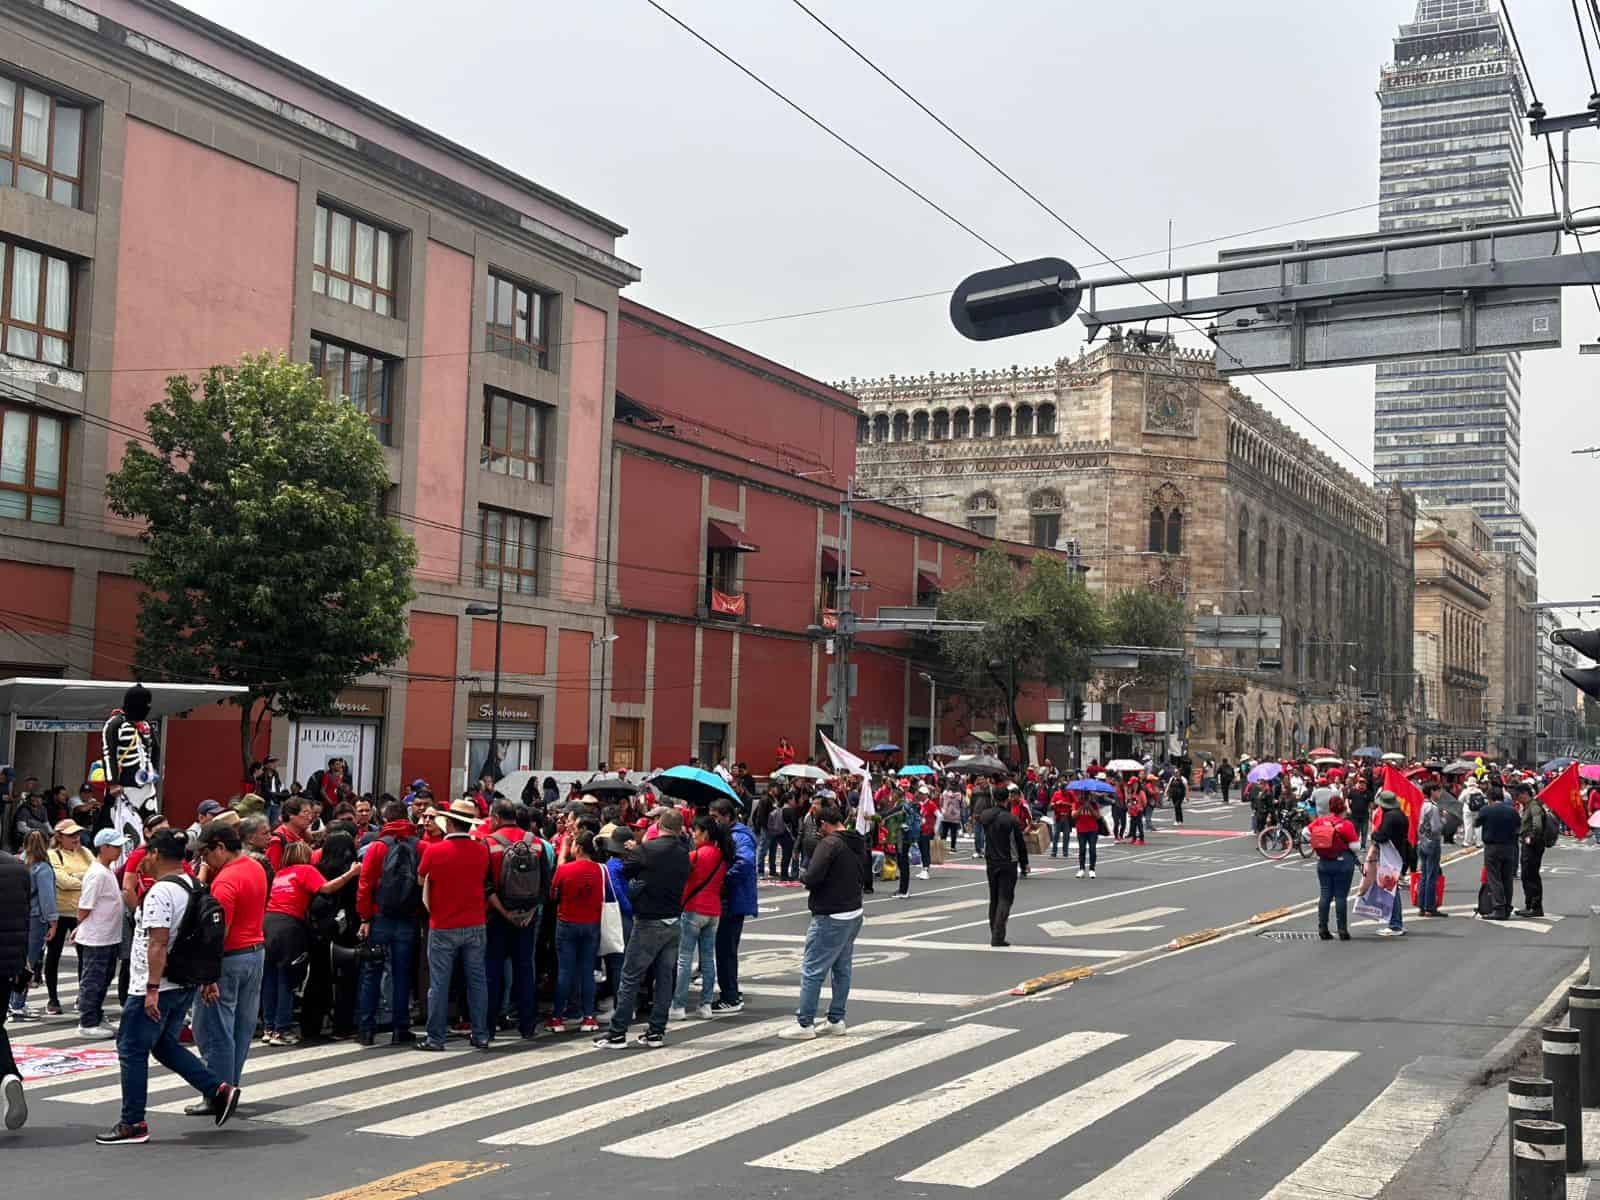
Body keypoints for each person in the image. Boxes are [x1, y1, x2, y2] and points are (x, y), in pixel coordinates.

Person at [99, 830, 241, 1146]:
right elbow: (205, 938)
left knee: (131, 1049)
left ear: (158, 855)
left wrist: (150, 988)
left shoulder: (162, 892)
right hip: (181, 982)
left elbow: (158, 943)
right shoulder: (194, 885)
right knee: (164, 1045)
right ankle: (218, 1089)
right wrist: (206, 978)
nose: (143, 860)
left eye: (147, 854)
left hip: (156, 985)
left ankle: (132, 1122)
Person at [594, 808, 691, 1049]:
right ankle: (656, 1031)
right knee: (664, 977)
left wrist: (632, 850)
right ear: (679, 829)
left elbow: (625, 869)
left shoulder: (647, 850)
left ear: (659, 826)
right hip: (674, 920)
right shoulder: (684, 853)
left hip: (649, 920)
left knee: (630, 976)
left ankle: (617, 1033)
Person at [187, 823, 266, 1099]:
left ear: (220, 848)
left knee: (214, 1030)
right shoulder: (255, 867)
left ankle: (217, 1094)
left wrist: (208, 977)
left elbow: (218, 934)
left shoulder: (226, 881)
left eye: (206, 854)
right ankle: (230, 1086)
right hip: (255, 953)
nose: (203, 860)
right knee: (241, 1030)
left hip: (230, 959)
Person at [780, 804, 868, 1039]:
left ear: (823, 824)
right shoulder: (857, 839)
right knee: (842, 969)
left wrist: (802, 874)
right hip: (853, 910)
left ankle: (805, 1023)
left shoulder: (829, 844)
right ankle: (836, 1018)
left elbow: (812, 877)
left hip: (831, 913)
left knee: (812, 969)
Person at [417, 799, 493, 1051]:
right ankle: (481, 1034)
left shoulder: (434, 850)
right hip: (474, 921)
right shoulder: (482, 850)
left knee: (439, 983)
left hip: (442, 923)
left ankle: (435, 1037)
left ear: (448, 822)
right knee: (477, 980)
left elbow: (421, 878)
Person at [355, 800, 421, 1045]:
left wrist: (365, 917)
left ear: (385, 821)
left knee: (372, 972)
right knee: (402, 973)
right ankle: (400, 1027)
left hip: (380, 915)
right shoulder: (419, 845)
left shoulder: (377, 847)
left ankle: (366, 1029)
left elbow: (365, 886)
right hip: (408, 917)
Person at [672, 815, 731, 1019]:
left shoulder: (695, 856)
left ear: (705, 833)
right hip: (713, 911)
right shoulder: (722, 855)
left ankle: (678, 1006)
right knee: (707, 959)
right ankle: (705, 1004)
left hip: (693, 909)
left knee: (684, 959)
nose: (693, 835)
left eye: (695, 831)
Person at [71, 829, 128, 1038]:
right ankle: (87, 1021)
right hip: (97, 938)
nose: (119, 850)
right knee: (93, 980)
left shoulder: (106, 870)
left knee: (103, 979)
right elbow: (85, 906)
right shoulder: (96, 873)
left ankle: (95, 1015)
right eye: (115, 846)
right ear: (103, 848)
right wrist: (81, 925)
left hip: (108, 936)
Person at [548, 830, 605, 1034]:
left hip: (567, 922)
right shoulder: (601, 870)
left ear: (578, 848)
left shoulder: (565, 870)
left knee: (565, 971)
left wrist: (562, 856)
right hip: (592, 924)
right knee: (587, 971)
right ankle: (589, 1016)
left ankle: (557, 1017)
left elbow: (552, 893)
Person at [710, 797, 756, 1015]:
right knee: (724, 948)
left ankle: (730, 995)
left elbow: (745, 863)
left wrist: (723, 880)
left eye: (715, 817)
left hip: (733, 899)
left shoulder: (739, 837)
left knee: (725, 948)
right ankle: (730, 991)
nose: (713, 821)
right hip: (730, 897)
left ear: (727, 817)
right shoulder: (728, 835)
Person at [44, 818, 92, 1015]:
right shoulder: (53, 854)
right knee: (53, 955)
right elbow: (62, 881)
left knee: (85, 956)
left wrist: (79, 879)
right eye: (71, 835)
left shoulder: (84, 852)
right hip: (59, 911)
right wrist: (84, 879)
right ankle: (52, 998)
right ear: (59, 837)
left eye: (77, 834)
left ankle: (83, 995)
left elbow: (97, 873)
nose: (76, 838)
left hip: (80, 911)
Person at [9, 832, 53, 1020]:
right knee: (30, 962)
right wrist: (53, 920)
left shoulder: (17, 862)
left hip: (17, 915)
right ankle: (17, 1004)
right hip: (36, 918)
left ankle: (13, 1002)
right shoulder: (42, 868)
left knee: (17, 960)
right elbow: (47, 898)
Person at [1, 842, 29, 1130]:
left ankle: (7, 1075)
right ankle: (8, 1075)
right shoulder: (17, 868)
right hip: (8, 964)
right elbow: (24, 920)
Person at [979, 790, 1029, 947]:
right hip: (1008, 861)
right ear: (1007, 799)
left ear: (994, 798)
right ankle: (998, 936)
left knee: (994, 898)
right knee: (1005, 899)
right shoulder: (1010, 819)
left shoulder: (985, 816)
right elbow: (1019, 843)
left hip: (991, 860)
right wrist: (1024, 862)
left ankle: (994, 931)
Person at [1310, 795, 1360, 941]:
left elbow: (1306, 833)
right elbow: (1355, 847)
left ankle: (1323, 928)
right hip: (1342, 862)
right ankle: (1342, 929)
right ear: (1343, 808)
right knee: (1340, 896)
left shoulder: (1321, 820)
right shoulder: (1346, 824)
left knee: (1325, 894)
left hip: (1324, 862)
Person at [1371, 791, 1413, 939]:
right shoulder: (1400, 815)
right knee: (1393, 889)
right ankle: (1396, 922)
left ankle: (1395, 924)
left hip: (1391, 855)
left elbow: (1381, 836)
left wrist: (1373, 834)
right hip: (1399, 853)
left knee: (1391, 890)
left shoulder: (1389, 817)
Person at [1478, 785, 1519, 921]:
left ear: (1490, 798)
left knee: (1494, 878)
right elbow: (1518, 826)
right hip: (1509, 847)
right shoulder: (1512, 811)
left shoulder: (1486, 810)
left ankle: (1499, 908)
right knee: (1507, 878)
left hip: (1492, 847)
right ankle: (1507, 907)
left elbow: (1476, 823)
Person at [1516, 781, 1548, 918]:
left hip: (1533, 846)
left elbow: (1538, 825)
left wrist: (1531, 838)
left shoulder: (1534, 806)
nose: (1516, 798)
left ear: (1524, 794)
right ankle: (1529, 905)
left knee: (1531, 875)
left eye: (1518, 795)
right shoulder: (1528, 806)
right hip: (1528, 845)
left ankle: (1535, 907)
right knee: (1526, 875)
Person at [1415, 782, 1446, 919]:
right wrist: (1443, 818)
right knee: (1431, 875)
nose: (1439, 793)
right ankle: (1430, 907)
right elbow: (1436, 828)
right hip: (1432, 842)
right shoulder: (1433, 807)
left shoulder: (1421, 805)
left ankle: (1422, 906)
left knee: (1424, 875)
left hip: (1421, 841)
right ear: (1432, 791)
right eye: (1438, 790)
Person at [1073, 791, 1102, 879]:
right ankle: (1081, 869)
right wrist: (1081, 807)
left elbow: (1098, 816)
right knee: (1082, 849)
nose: (1085, 797)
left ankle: (1092, 869)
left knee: (1092, 849)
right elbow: (1073, 816)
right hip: (1081, 829)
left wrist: (1090, 808)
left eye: (1087, 795)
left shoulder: (1094, 804)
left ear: (1090, 796)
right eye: (1084, 795)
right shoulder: (1077, 803)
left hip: (1092, 829)